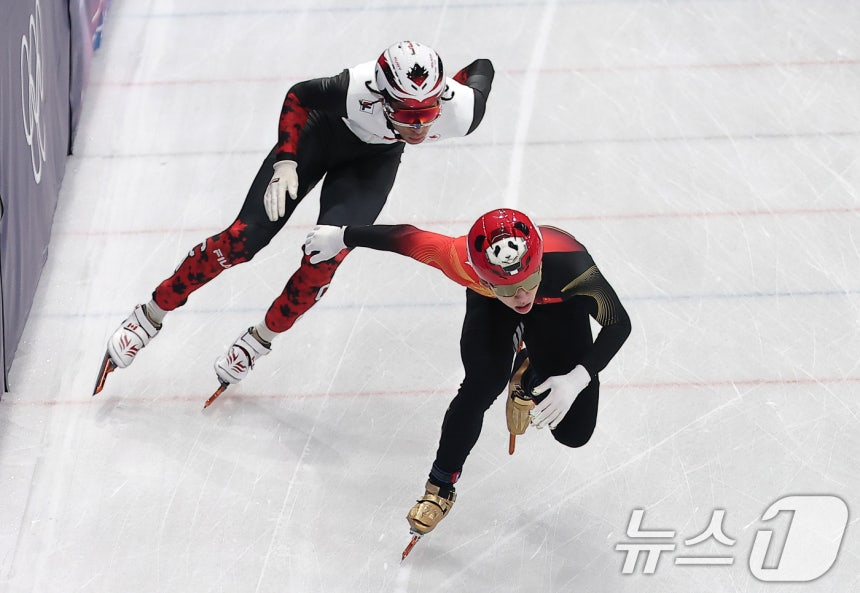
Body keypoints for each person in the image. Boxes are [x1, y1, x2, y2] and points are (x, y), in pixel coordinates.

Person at [94, 41, 494, 394]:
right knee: (242, 240)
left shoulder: (461, 111)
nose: (420, 127)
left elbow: (483, 67)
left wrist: (451, 85)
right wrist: (286, 161)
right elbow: (298, 95)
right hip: (320, 134)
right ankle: (151, 313)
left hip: (372, 163)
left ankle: (259, 341)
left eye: (428, 113)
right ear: (382, 98)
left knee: (324, 260)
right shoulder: (354, 88)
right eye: (407, 116)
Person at [303, 209, 632, 537]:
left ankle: (528, 374)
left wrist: (577, 379)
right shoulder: (458, 259)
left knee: (574, 433)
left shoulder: (572, 266)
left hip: (560, 301)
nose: (521, 296)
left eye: (528, 281)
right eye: (507, 287)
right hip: (492, 307)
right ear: (482, 276)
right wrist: (342, 237)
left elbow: (619, 323)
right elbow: (404, 238)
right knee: (481, 384)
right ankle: (440, 486)